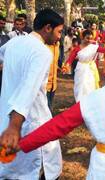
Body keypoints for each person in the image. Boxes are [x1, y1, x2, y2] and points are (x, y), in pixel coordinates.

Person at [0, 9, 64, 179]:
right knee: (36, 169)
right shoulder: (42, 52)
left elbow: (1, 54)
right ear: (48, 28)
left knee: (11, 170)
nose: (59, 37)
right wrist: (14, 126)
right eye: (59, 31)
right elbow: (28, 89)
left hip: (6, 116)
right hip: (29, 121)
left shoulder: (14, 42)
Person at [64, 30, 105, 102]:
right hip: (80, 69)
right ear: (82, 38)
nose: (89, 40)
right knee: (80, 86)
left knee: (90, 86)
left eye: (91, 38)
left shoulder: (93, 47)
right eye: (87, 38)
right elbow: (70, 59)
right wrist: (66, 66)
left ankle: (90, 102)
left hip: (90, 70)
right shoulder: (77, 48)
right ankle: (80, 102)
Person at [46, 42, 60, 112]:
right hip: (44, 86)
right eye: (59, 32)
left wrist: (59, 67)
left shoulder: (57, 44)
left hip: (53, 84)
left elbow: (55, 61)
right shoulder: (41, 45)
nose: (60, 36)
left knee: (49, 109)